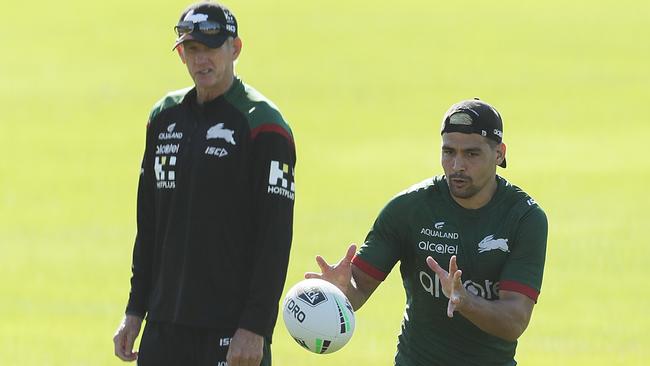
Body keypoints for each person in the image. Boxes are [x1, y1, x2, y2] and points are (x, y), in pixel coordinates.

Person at [112, 2, 296, 365]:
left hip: (231, 330)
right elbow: (149, 225)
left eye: (211, 48)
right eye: (192, 49)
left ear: (235, 48)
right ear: (181, 54)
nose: (201, 60)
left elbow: (275, 237)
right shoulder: (163, 118)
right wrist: (135, 309)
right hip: (165, 327)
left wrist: (255, 326)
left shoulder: (264, 126)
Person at [306, 98, 547, 366]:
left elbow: (514, 321)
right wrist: (340, 292)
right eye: (449, 152)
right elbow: (358, 287)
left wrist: (466, 302)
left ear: (499, 153)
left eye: (471, 154)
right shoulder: (409, 209)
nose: (457, 166)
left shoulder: (524, 218)